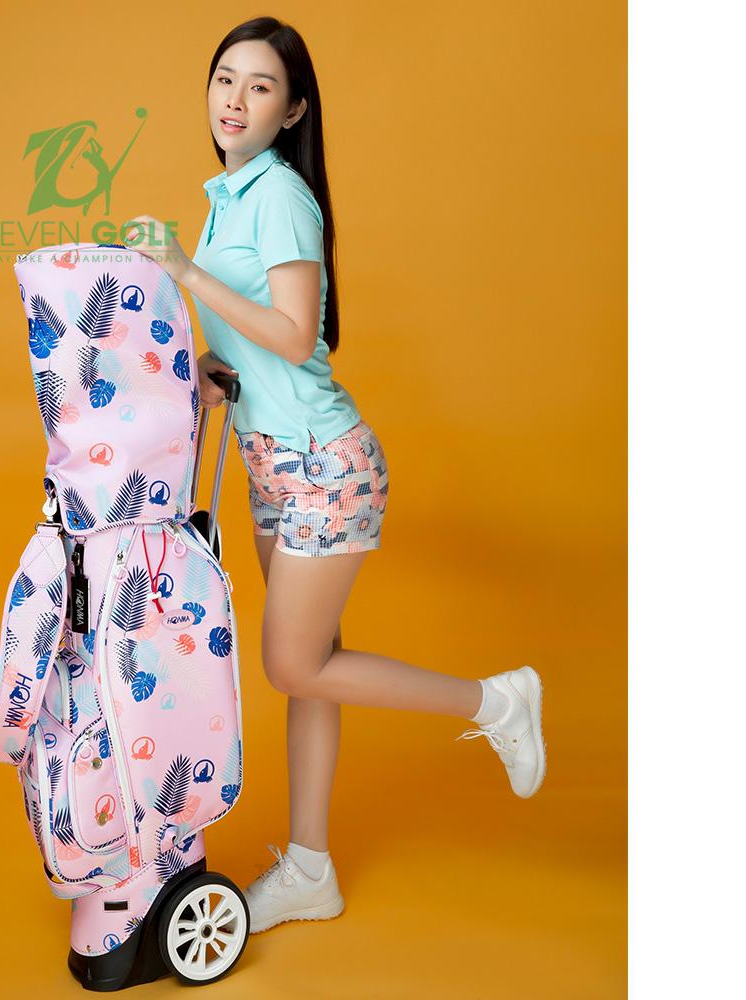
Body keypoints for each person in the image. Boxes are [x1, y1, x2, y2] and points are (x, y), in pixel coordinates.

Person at [124, 15, 547, 935]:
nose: (235, 99)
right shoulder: (229, 193)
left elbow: (295, 334)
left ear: (293, 110)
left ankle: (497, 701)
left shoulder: (278, 194)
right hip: (272, 463)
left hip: (324, 464)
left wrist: (185, 273)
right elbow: (256, 343)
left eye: (260, 86)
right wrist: (213, 368)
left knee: (293, 662)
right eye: (225, 79)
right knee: (313, 672)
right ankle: (311, 870)